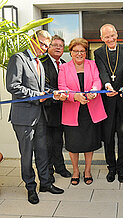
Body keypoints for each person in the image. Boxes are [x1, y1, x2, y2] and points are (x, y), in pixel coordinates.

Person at [6, 30, 65, 204]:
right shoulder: (18, 59)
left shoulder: (39, 62)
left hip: (40, 115)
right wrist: (36, 94)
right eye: (42, 44)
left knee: (43, 152)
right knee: (27, 155)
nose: (45, 48)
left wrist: (54, 93)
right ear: (32, 40)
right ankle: (30, 187)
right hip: (23, 117)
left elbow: (43, 86)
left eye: (48, 45)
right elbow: (13, 86)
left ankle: (45, 183)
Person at [58, 38, 107, 186]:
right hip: (72, 111)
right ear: (70, 52)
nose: (79, 54)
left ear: (86, 53)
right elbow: (62, 87)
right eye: (76, 51)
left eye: (82, 51)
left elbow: (97, 81)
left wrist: (94, 91)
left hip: (90, 111)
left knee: (89, 143)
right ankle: (75, 171)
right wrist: (75, 96)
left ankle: (87, 170)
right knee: (73, 144)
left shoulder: (92, 65)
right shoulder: (64, 68)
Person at [94, 24, 123, 183]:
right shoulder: (98, 53)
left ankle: (121, 168)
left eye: (112, 35)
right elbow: (102, 72)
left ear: (117, 34)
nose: (110, 39)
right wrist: (106, 85)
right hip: (107, 102)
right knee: (108, 138)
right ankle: (111, 168)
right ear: (102, 38)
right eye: (107, 37)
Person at [41, 35, 71, 183]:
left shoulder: (65, 64)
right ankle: (49, 171)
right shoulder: (41, 63)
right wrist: (56, 94)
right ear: (48, 47)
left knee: (59, 141)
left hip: (62, 110)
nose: (58, 48)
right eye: (55, 45)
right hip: (47, 110)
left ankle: (60, 166)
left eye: (61, 45)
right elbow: (42, 87)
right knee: (48, 143)